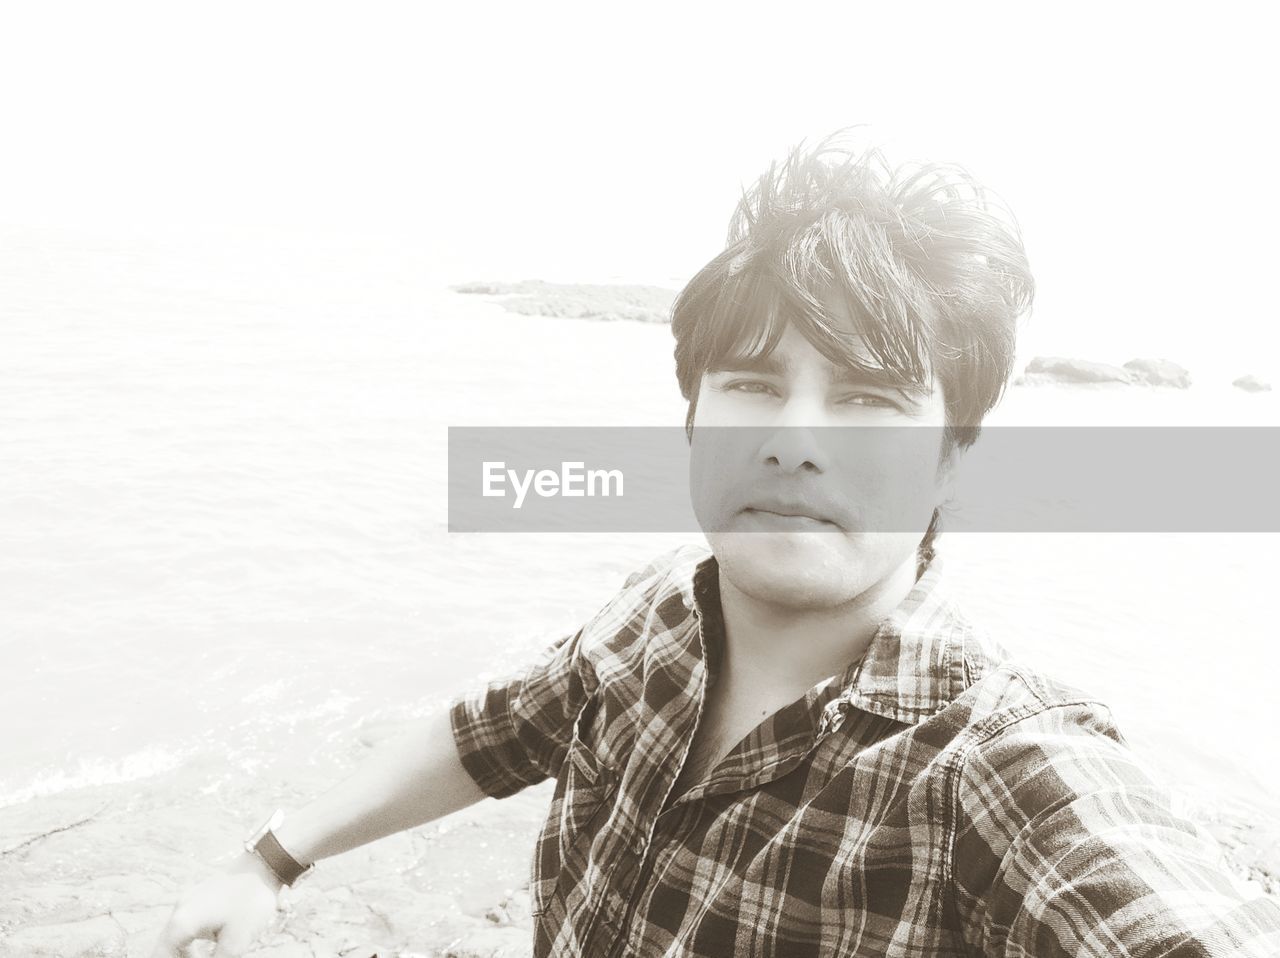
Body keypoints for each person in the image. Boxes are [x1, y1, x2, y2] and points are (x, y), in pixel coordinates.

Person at [153, 135, 1280, 957]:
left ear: (949, 460)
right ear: (693, 423)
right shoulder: (656, 617)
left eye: (868, 399)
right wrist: (270, 858)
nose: (793, 440)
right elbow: (492, 731)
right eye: (750, 385)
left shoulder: (988, 769)